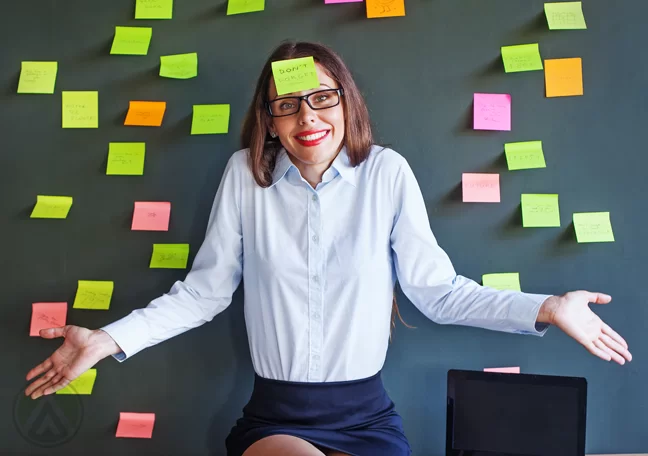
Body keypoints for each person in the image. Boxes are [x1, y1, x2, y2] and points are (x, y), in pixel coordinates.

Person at [25, 41, 632, 456]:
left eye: (321, 97)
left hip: (368, 416)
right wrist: (107, 339)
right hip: (276, 418)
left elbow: (439, 294)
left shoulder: (387, 173)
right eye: (286, 104)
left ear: (345, 101)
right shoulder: (246, 176)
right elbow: (204, 293)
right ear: (269, 118)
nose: (306, 116)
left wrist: (548, 307)